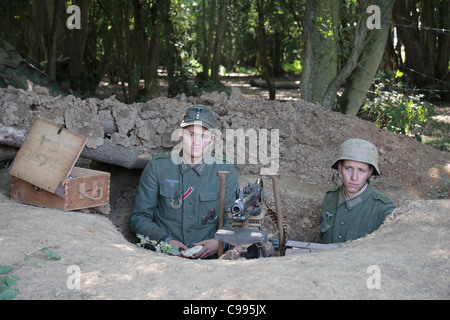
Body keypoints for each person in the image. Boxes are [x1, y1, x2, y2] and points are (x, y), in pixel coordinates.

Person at [130, 105, 238, 259]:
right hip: (164, 258)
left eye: (204, 136)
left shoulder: (224, 169)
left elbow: (233, 219)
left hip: (211, 263)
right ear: (180, 135)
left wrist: (219, 242)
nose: (197, 142)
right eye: (191, 135)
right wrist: (165, 241)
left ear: (212, 140)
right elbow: (139, 217)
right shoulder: (158, 166)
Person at [318, 139, 396, 244]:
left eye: (361, 170)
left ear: (370, 172)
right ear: (340, 167)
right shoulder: (330, 198)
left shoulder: (383, 208)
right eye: (349, 168)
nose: (354, 177)